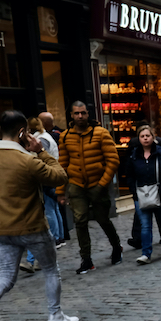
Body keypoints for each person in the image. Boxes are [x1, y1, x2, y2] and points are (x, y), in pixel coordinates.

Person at [0, 110, 76, 321]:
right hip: (32, 227)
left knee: (5, 277)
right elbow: (60, 176)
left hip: (3, 229)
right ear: (22, 132)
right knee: (50, 269)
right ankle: (55, 315)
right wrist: (40, 151)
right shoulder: (27, 160)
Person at [56, 100, 123, 274]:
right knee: (80, 220)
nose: (80, 116)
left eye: (83, 113)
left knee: (102, 219)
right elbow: (62, 164)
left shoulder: (101, 133)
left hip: (97, 184)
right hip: (76, 184)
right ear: (71, 115)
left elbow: (113, 160)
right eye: (77, 113)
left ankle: (116, 246)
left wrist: (102, 183)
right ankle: (86, 259)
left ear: (88, 114)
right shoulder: (65, 136)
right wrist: (60, 192)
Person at [18, 116, 65, 273]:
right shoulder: (45, 137)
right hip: (47, 180)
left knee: (45, 218)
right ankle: (41, 256)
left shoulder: (40, 141)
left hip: (45, 181)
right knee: (49, 214)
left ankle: (35, 259)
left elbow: (42, 162)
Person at [127, 125, 161, 264]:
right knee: (145, 225)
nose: (145, 138)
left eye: (147, 136)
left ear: (153, 137)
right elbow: (130, 175)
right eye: (142, 136)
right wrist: (134, 190)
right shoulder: (134, 156)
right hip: (142, 195)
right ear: (139, 139)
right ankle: (146, 253)